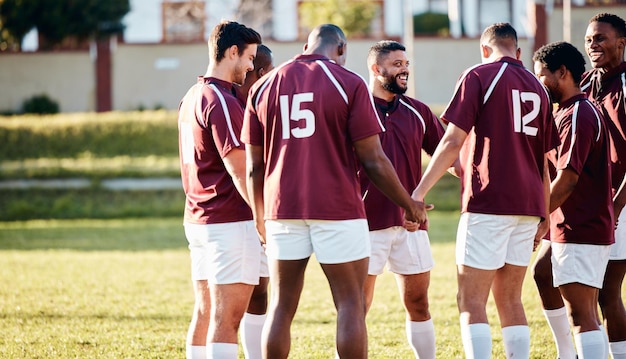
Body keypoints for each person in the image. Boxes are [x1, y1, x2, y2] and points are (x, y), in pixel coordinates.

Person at [242, 24, 426, 359]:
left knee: (282, 307)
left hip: (282, 209)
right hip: (338, 208)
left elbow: (254, 164)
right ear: (341, 48)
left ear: (305, 45)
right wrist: (408, 204)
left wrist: (259, 216)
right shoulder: (349, 82)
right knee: (350, 304)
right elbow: (373, 159)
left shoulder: (264, 85)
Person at [411, 22, 558, 358]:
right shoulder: (537, 86)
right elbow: (544, 160)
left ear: (484, 49)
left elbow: (451, 140)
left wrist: (418, 192)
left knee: (470, 300)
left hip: (489, 202)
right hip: (529, 205)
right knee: (510, 299)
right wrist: (545, 213)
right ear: (518, 52)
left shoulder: (479, 75)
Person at [177, 20, 262, 359]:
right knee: (227, 317)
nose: (252, 66)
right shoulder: (221, 99)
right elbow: (239, 169)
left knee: (205, 310)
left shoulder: (191, 95)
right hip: (228, 220)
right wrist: (262, 218)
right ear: (232, 52)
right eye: (250, 57)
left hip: (198, 219)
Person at [362, 40, 446, 359]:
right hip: (365, 224)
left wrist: (474, 178)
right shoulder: (356, 110)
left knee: (419, 303)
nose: (404, 69)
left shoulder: (419, 111)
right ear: (376, 69)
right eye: (396, 64)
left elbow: (447, 157)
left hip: (412, 225)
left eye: (406, 63)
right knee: (359, 306)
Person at [533, 40, 614, 359]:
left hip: (582, 225)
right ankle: (567, 354)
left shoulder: (579, 113)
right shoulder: (566, 111)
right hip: (568, 224)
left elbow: (567, 179)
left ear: (562, 73)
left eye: (541, 76)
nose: (539, 84)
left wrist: (539, 220)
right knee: (543, 273)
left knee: (582, 315)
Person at [581, 13, 626, 359]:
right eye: (589, 40)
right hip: (591, 202)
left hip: (619, 201)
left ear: (621, 43)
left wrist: (618, 204)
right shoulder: (585, 82)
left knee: (607, 288)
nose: (593, 45)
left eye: (600, 38)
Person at [236, 43, 274, 359]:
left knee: (261, 290)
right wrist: (260, 216)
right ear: (261, 72)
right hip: (244, 213)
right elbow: (250, 168)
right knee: (244, 294)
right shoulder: (236, 106)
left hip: (260, 210)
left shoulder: (263, 104)